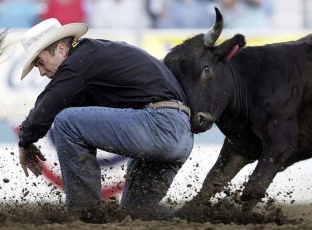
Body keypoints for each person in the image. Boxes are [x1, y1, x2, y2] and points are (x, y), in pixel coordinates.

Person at [18, 18, 193, 222]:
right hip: (180, 134)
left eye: (40, 62)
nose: (41, 72)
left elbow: (45, 109)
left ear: (61, 49)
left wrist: (24, 141)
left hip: (159, 125)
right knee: (135, 215)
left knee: (66, 121)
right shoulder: (95, 54)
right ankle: (196, 219)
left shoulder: (78, 62)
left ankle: (84, 215)